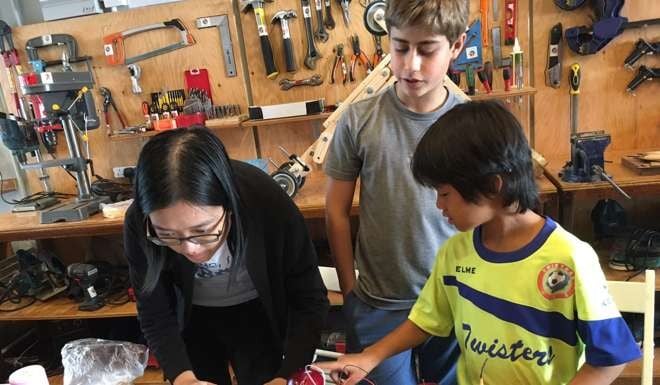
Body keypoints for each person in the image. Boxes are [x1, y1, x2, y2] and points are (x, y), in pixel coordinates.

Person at [319, 101, 642, 385]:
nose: (438, 205)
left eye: (444, 193)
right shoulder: (455, 252)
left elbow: (611, 358)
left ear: (492, 185)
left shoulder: (570, 258)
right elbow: (428, 319)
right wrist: (370, 357)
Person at [323, 0, 468, 384]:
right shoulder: (358, 119)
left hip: (453, 299)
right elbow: (335, 211)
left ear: (455, 46)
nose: (411, 64)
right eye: (400, 46)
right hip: (377, 304)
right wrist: (350, 290)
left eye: (427, 49)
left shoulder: (470, 124)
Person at [123, 127, 329, 385]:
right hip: (192, 319)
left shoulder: (265, 200)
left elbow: (309, 297)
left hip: (258, 314)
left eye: (203, 231)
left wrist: (286, 376)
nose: (191, 250)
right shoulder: (140, 221)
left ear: (229, 206)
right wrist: (183, 378)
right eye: (168, 235)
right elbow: (154, 310)